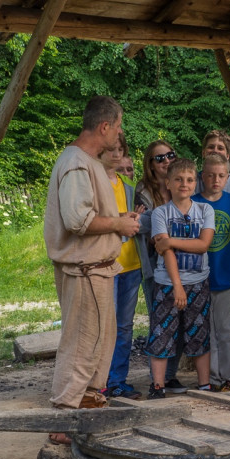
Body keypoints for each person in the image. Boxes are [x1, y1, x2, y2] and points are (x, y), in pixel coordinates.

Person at [44, 96, 140, 427]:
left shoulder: (87, 162)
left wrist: (118, 218)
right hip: (85, 270)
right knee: (81, 349)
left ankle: (84, 418)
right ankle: (64, 425)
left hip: (96, 271)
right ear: (104, 127)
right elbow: (77, 219)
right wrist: (119, 224)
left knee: (96, 347)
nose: (119, 133)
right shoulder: (76, 162)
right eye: (118, 126)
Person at [146, 158, 215, 398]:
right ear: (168, 183)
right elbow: (166, 253)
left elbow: (203, 244)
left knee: (199, 333)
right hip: (168, 283)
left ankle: (204, 384)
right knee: (162, 333)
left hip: (198, 281)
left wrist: (172, 241)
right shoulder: (160, 213)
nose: (184, 184)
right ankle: (157, 386)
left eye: (189, 180)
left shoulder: (205, 210)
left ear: (195, 184)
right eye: (178, 179)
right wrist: (177, 286)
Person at [135, 140, 185, 392]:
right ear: (150, 165)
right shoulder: (143, 190)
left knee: (181, 319)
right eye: (159, 158)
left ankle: (171, 375)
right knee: (160, 322)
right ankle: (158, 379)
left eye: (170, 155)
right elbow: (139, 225)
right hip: (155, 268)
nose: (166, 160)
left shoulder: (184, 182)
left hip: (186, 263)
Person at [192, 152, 230, 390]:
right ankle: (211, 379)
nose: (215, 180)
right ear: (202, 176)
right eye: (210, 175)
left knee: (226, 331)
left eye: (221, 176)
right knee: (206, 332)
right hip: (199, 278)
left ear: (228, 177)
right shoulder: (192, 203)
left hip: (227, 275)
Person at [102, 131, 145, 399]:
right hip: (107, 264)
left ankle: (118, 379)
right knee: (106, 325)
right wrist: (120, 219)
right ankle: (101, 381)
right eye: (111, 149)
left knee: (125, 326)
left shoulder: (128, 188)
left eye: (120, 149)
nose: (116, 154)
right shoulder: (96, 185)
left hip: (131, 264)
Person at [196, 129, 230, 197]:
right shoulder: (192, 182)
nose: (215, 150)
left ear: (227, 156)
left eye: (220, 148)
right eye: (211, 147)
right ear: (203, 153)